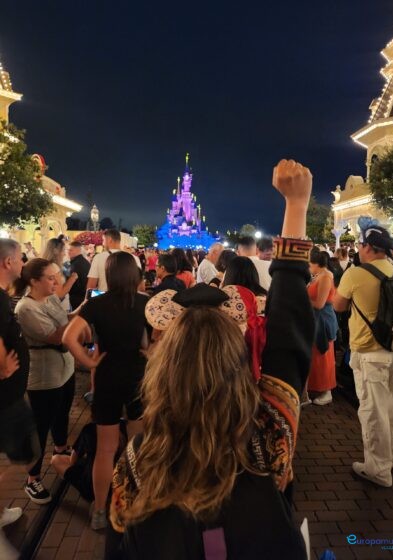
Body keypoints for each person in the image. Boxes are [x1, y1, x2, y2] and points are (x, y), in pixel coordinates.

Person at [107, 159, 315, 559]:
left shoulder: (138, 462)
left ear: (163, 368)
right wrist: (296, 205)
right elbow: (290, 333)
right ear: (235, 358)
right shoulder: (267, 438)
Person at [63, 251, 149, 530]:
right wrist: (151, 353)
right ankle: (135, 502)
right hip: (138, 378)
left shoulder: (96, 304)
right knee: (137, 444)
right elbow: (159, 340)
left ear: (110, 275)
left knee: (105, 448)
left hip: (107, 376)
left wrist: (88, 361)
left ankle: (100, 511)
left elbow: (68, 337)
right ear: (134, 275)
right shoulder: (145, 303)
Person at [333, 223, 393, 487]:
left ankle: (378, 469)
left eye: (360, 245)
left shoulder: (355, 274)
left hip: (371, 353)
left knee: (373, 412)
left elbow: (338, 306)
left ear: (368, 247)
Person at [15, 258, 78, 504]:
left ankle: (61, 450)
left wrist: (80, 311)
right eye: (51, 278)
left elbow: (64, 319)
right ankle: (32, 478)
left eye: (57, 276)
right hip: (44, 375)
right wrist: (83, 318)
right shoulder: (25, 308)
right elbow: (55, 336)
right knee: (40, 426)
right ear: (33, 281)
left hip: (65, 367)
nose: (57, 281)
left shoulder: (50, 298)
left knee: (62, 413)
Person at [0, 240, 40, 560]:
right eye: (20, 259)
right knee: (26, 450)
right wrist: (2, 366)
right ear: (8, 262)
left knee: (23, 450)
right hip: (5, 396)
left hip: (9, 395)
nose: (23, 263)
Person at [51, 420, 128, 503]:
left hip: (91, 489)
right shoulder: (123, 427)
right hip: (118, 484)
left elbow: (73, 460)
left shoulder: (89, 429)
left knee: (56, 459)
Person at [306, 250, 338, 405]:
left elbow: (319, 304)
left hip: (323, 320)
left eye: (309, 264)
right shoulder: (320, 275)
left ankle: (327, 391)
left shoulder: (326, 277)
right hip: (316, 319)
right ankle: (318, 387)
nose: (308, 267)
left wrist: (302, 297)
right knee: (317, 354)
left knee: (323, 354)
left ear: (316, 264)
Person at [43, 237, 78, 311]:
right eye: (63, 250)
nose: (65, 254)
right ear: (56, 251)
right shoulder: (54, 267)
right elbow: (60, 294)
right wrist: (73, 278)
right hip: (60, 308)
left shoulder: (47, 265)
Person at [68, 241, 90, 310]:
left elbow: (74, 284)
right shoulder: (84, 262)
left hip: (77, 297)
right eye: (68, 250)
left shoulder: (76, 264)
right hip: (82, 296)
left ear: (78, 250)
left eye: (71, 250)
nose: (68, 252)